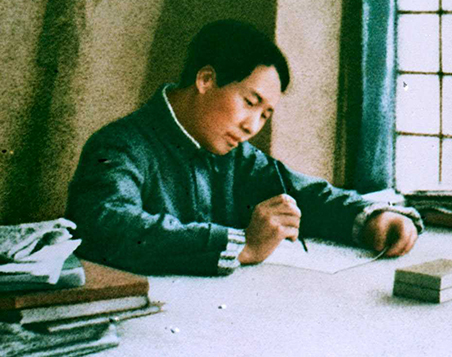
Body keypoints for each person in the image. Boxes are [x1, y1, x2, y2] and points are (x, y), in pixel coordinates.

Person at [66, 20, 422, 275]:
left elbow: (303, 196)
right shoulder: (119, 145)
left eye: (265, 114)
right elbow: (108, 226)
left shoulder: (236, 156)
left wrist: (373, 218)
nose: (252, 126)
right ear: (206, 79)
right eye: (250, 102)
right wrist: (243, 246)